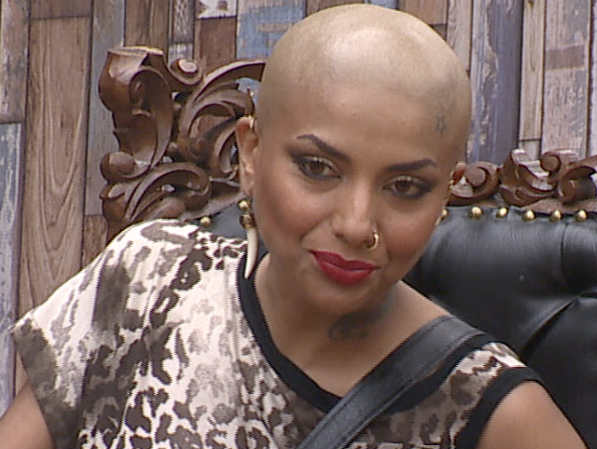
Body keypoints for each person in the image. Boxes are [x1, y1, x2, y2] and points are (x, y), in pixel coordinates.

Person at [0, 4, 587, 449]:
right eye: (318, 168)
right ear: (250, 153)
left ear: (445, 194)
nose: (356, 224)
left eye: (406, 187)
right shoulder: (149, 277)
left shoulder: (493, 412)